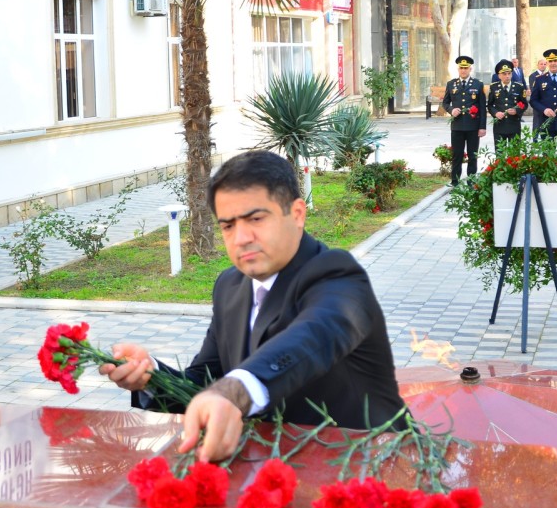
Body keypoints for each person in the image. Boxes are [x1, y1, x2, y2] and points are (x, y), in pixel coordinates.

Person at [101, 150, 407, 461]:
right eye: (228, 226)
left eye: (256, 219)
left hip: (371, 468)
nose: (241, 238)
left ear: (297, 214)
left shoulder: (337, 275)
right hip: (276, 477)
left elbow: (313, 336)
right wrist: (151, 376)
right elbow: (207, 384)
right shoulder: (230, 286)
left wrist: (235, 392)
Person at [441, 55, 487, 186]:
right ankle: (455, 181)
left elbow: (482, 107)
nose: (463, 70)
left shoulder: (478, 84)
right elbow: (445, 103)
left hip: (473, 126)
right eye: (461, 68)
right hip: (457, 126)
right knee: (457, 155)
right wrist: (451, 110)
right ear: (458, 69)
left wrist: (482, 127)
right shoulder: (451, 84)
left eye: (466, 68)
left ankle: (471, 180)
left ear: (470, 69)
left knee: (472, 155)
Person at [488, 59, 527, 152]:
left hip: (514, 125)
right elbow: (489, 105)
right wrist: (496, 113)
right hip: (499, 126)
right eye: (504, 74)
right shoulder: (494, 87)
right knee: (500, 154)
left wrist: (517, 111)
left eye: (509, 73)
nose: (507, 76)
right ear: (499, 75)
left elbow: (524, 104)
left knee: (514, 155)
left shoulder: (519, 87)